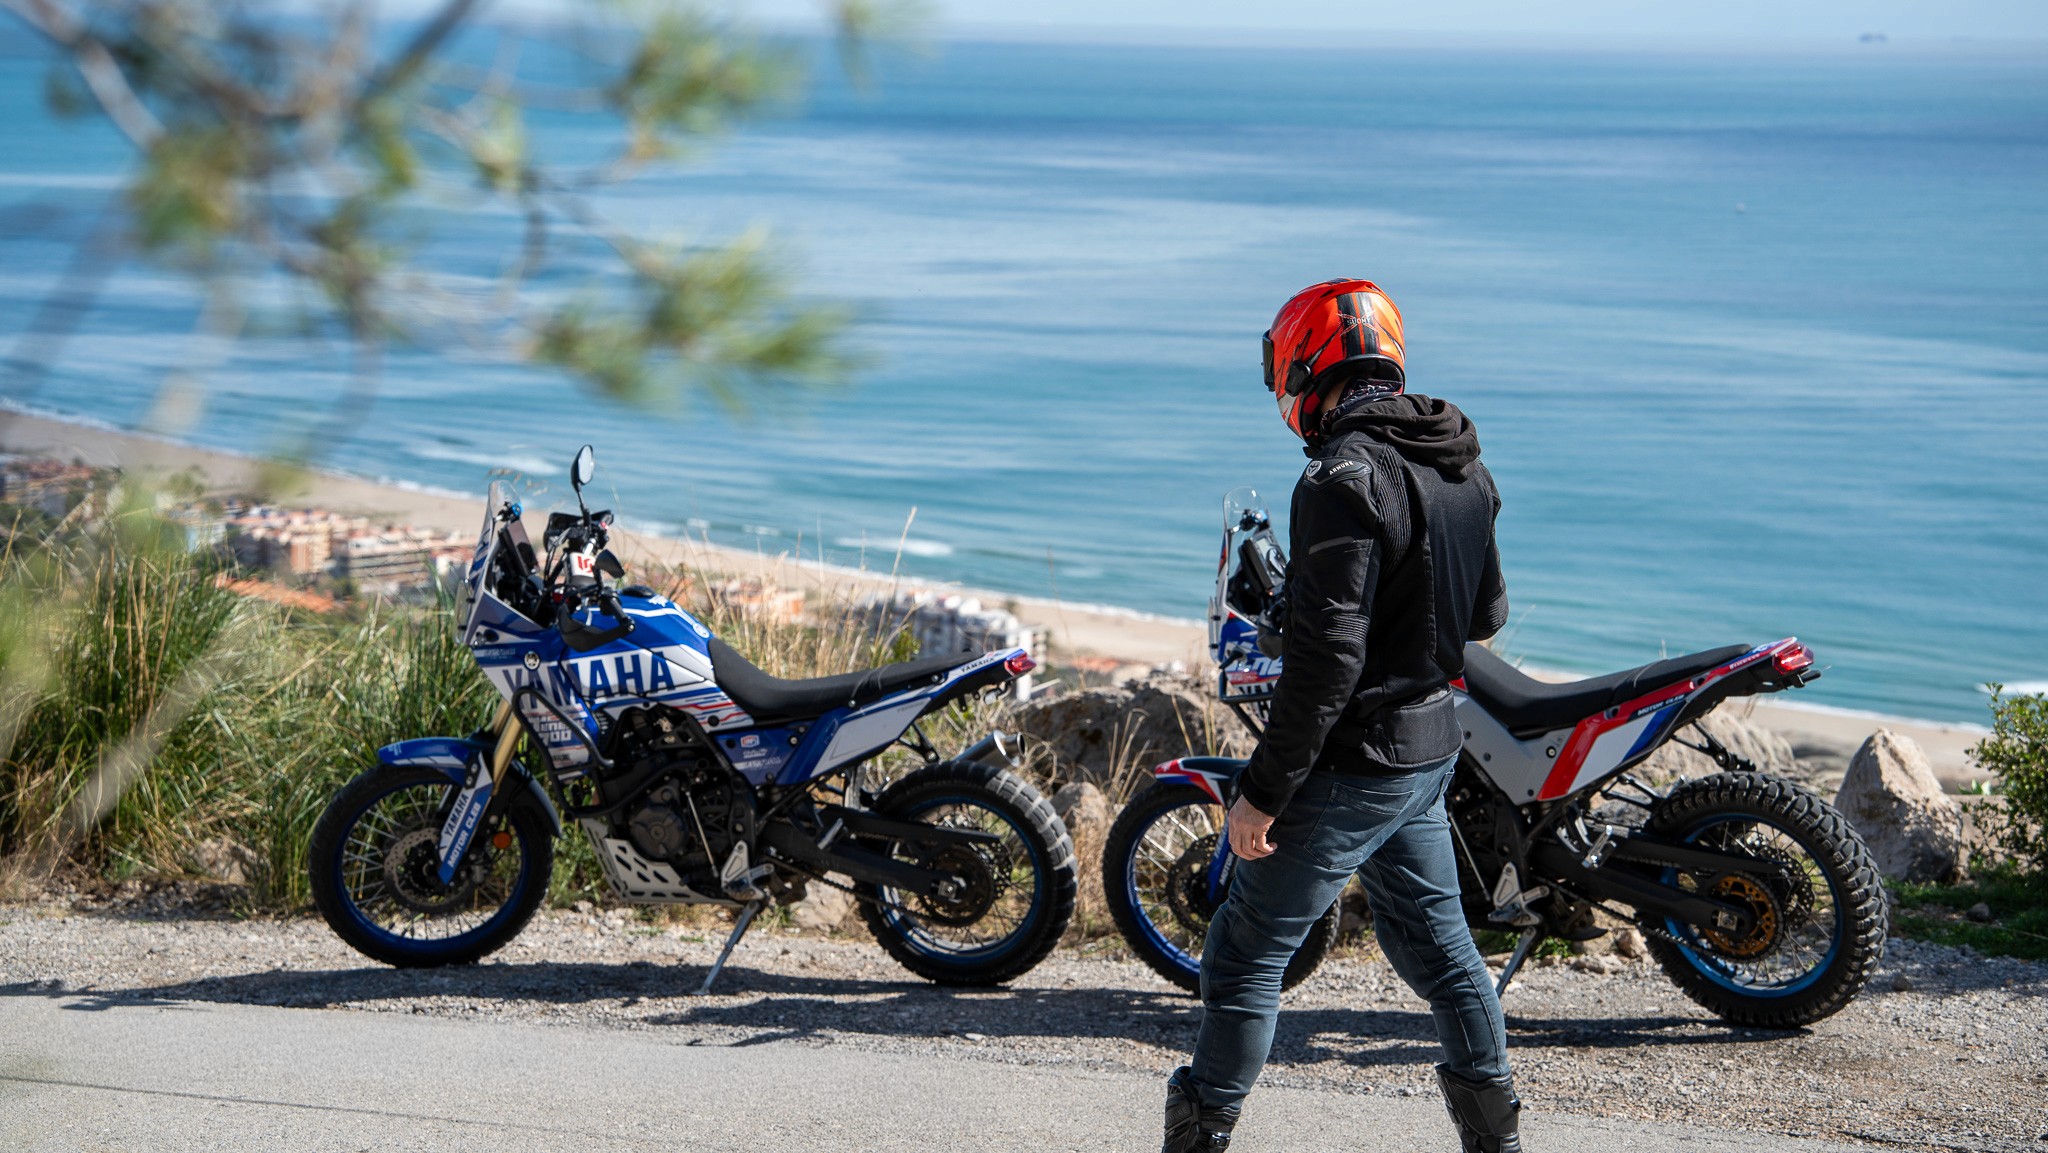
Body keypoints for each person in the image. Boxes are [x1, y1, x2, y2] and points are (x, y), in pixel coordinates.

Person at [1163, 279, 1521, 1153]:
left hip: (1352, 764)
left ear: (1305, 367)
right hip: (1428, 751)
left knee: (1244, 956)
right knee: (1442, 955)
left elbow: (1326, 670)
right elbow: (1485, 616)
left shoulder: (1339, 477)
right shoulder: (1462, 462)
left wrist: (1261, 793)